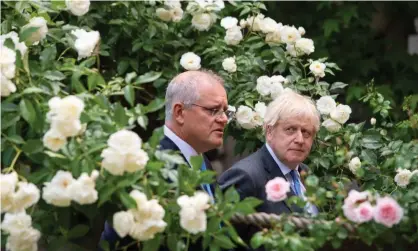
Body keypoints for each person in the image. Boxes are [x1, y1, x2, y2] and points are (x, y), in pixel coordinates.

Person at [99, 70, 232, 250]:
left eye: (225, 111)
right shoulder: (151, 166)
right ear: (179, 112)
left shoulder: (201, 161)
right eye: (213, 110)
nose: (223, 119)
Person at [218, 89, 320, 250]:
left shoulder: (306, 175)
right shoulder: (246, 177)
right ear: (269, 131)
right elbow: (221, 243)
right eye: (291, 129)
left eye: (306, 132)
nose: (300, 139)